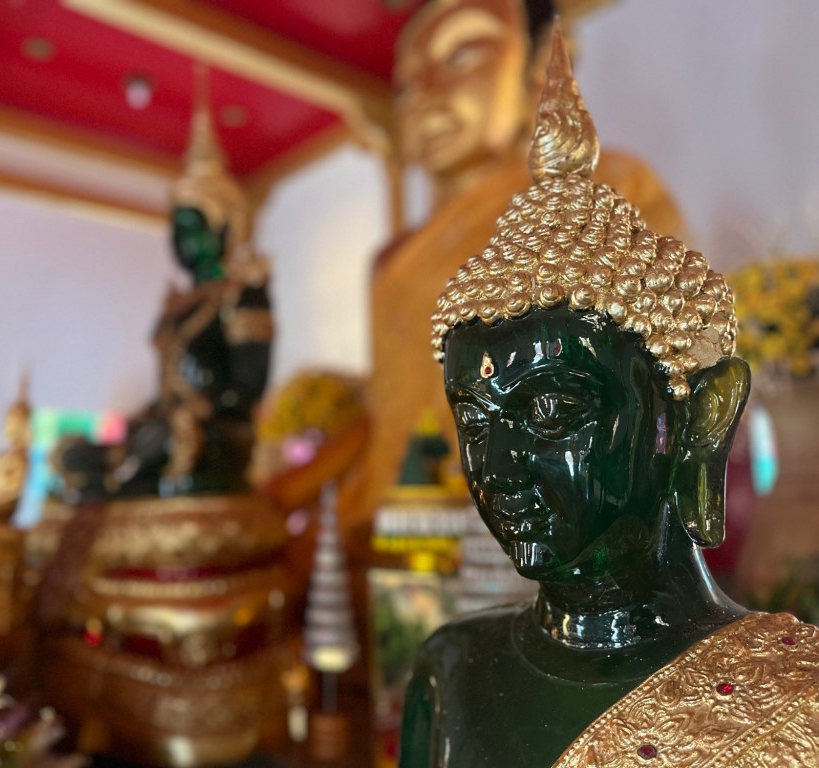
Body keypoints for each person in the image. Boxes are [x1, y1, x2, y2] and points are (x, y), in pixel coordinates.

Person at [398, 29, 819, 767]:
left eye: (551, 411)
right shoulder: (452, 668)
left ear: (701, 416)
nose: (495, 468)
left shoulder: (796, 700)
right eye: (474, 419)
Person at [348, 0, 682, 531]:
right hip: (393, 516)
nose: (424, 96)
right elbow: (383, 422)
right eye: (406, 87)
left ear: (539, 63)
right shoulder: (391, 262)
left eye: (461, 56)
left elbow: (662, 378)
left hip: (548, 506)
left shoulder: (608, 189)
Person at [54, 71, 272, 502]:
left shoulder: (242, 293)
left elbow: (249, 388)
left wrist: (198, 410)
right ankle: (117, 473)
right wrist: (153, 416)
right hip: (165, 424)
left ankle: (119, 479)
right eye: (176, 228)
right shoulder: (177, 305)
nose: (181, 240)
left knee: (176, 439)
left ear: (225, 226)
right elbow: (168, 388)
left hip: (217, 433)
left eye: (192, 226)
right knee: (72, 451)